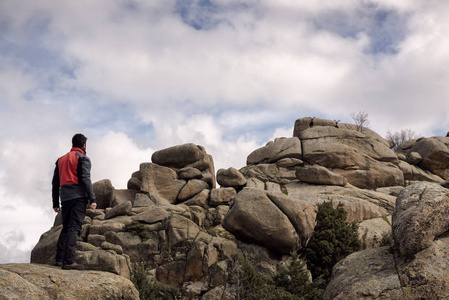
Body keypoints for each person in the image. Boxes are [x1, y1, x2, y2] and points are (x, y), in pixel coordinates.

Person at [52, 133, 96, 270]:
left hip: (65, 198)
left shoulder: (61, 160)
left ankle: (59, 259)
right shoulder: (83, 158)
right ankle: (69, 260)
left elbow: (55, 183)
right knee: (74, 227)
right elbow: (85, 179)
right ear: (84, 145)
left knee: (66, 227)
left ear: (73, 144)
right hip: (78, 198)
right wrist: (92, 198)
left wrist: (55, 202)